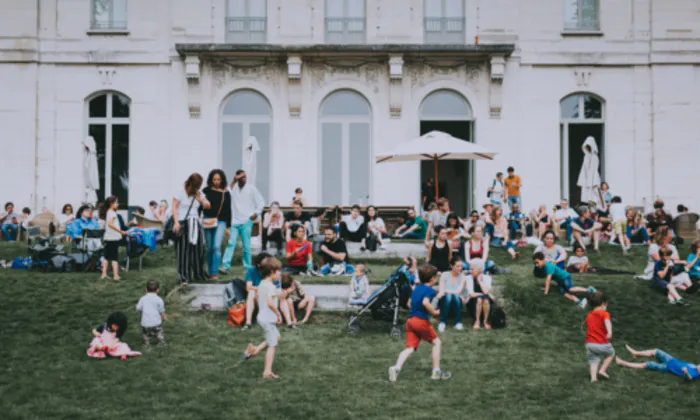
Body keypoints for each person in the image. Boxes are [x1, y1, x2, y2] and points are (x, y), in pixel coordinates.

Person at [388, 264, 451, 382]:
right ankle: (436, 372)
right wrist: (434, 312)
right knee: (437, 342)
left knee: (410, 348)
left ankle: (396, 368)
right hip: (420, 321)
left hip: (410, 321)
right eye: (435, 278)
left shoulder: (416, 288)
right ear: (432, 279)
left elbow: (408, 304)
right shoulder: (430, 290)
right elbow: (426, 302)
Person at [241, 257, 284, 380]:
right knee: (272, 345)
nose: (279, 273)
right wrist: (278, 314)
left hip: (263, 318)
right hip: (267, 319)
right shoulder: (269, 286)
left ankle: (255, 350)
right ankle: (267, 372)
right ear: (272, 272)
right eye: (278, 271)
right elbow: (270, 303)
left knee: (277, 337)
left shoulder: (262, 283)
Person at [220, 169, 264, 273]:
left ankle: (247, 267)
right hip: (234, 221)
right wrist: (234, 181)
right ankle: (225, 266)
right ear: (237, 177)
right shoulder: (233, 187)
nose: (244, 179)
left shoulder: (251, 188)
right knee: (231, 244)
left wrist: (256, 213)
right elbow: (225, 192)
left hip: (246, 221)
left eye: (245, 177)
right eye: (241, 177)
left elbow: (261, 202)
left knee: (246, 246)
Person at [172, 173, 211, 285]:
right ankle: (184, 276)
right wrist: (176, 222)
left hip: (195, 223)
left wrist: (201, 200)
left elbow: (208, 205)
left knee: (198, 250)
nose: (198, 188)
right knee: (183, 251)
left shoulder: (198, 193)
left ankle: (199, 274)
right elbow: (174, 207)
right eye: (197, 186)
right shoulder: (181, 191)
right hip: (183, 222)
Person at [202, 169, 232, 281]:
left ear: (222, 179)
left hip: (221, 221)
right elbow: (201, 205)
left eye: (218, 179)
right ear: (211, 180)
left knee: (216, 246)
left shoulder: (226, 193)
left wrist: (228, 227)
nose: (216, 181)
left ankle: (214, 273)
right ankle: (210, 272)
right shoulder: (206, 191)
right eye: (214, 179)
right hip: (207, 220)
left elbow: (229, 210)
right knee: (209, 248)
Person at [616, 345, 700, 381]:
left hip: (667, 367)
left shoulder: (695, 373)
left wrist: (686, 373)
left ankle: (623, 363)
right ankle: (635, 353)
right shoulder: (696, 367)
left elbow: (690, 378)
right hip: (671, 360)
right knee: (656, 351)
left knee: (646, 365)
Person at [585, 292, 614, 382]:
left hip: (590, 344)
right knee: (611, 353)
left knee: (593, 360)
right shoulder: (604, 314)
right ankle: (602, 370)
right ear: (603, 304)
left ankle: (593, 378)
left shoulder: (589, 315)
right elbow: (607, 322)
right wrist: (609, 332)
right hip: (601, 343)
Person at [239, 252, 272, 329]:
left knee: (256, 292)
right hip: (255, 296)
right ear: (259, 264)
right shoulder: (251, 270)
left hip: (268, 297)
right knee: (251, 292)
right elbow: (248, 287)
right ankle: (248, 322)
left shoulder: (271, 271)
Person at [436, 257, 467, 332]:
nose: (460, 268)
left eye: (461, 266)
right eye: (457, 266)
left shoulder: (462, 276)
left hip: (456, 303)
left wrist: (447, 291)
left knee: (454, 296)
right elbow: (441, 290)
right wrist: (446, 292)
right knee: (449, 296)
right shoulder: (444, 274)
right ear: (451, 266)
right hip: (444, 302)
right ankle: (442, 322)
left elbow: (458, 291)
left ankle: (457, 323)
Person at [100, 196, 127, 281]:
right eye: (116, 202)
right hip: (113, 238)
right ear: (111, 204)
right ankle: (116, 276)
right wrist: (120, 231)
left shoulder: (108, 212)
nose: (118, 204)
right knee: (114, 257)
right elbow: (110, 224)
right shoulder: (113, 213)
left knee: (106, 257)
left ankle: (104, 274)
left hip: (108, 237)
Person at [465, 259, 495, 330]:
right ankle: (477, 321)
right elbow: (471, 294)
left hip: (485, 302)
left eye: (472, 269)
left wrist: (480, 281)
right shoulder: (468, 278)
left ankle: (485, 321)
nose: (470, 271)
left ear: (480, 270)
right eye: (470, 269)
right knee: (479, 299)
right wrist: (486, 294)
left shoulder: (487, 278)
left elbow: (486, 290)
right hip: (473, 303)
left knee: (485, 300)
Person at [136, 280, 166, 347]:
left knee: (145, 333)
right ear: (157, 290)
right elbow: (162, 310)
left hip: (145, 323)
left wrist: (141, 311)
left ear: (146, 290)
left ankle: (146, 343)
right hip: (156, 323)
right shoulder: (159, 299)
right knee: (159, 332)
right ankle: (161, 342)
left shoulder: (142, 299)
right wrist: (163, 316)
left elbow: (138, 308)